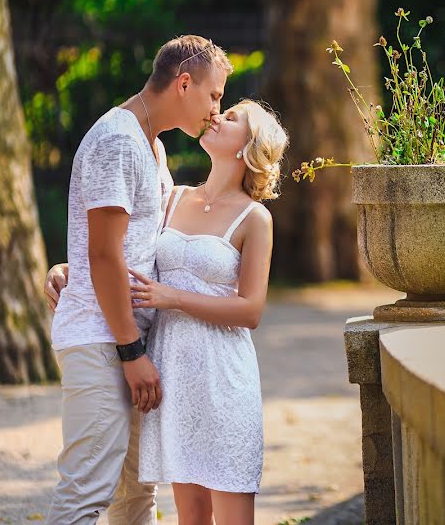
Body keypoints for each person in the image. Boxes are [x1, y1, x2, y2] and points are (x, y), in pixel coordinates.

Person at [45, 35, 232, 524]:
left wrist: (70, 267)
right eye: (215, 96)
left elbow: (126, 245)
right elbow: (106, 256)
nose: (218, 110)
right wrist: (131, 353)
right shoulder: (117, 141)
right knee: (86, 493)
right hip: (104, 341)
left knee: (135, 499)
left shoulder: (151, 148)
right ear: (184, 83)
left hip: (129, 342)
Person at [130, 99, 287, 523]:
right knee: (191, 518)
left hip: (224, 379)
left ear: (247, 147)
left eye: (231, 117)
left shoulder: (256, 218)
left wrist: (173, 298)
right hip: (175, 376)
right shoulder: (173, 197)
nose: (216, 115)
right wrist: (68, 269)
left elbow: (250, 309)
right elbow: (122, 255)